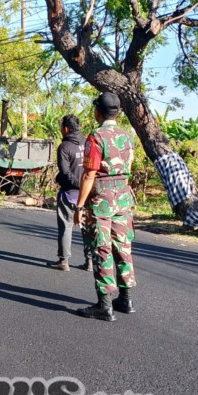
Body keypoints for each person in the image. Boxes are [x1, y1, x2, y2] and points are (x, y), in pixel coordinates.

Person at [74, 92, 136, 322]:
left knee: (102, 247)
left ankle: (104, 305)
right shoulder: (127, 137)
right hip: (123, 196)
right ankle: (126, 299)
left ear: (98, 111)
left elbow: (90, 173)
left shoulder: (96, 137)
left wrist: (79, 206)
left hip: (102, 198)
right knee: (123, 245)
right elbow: (128, 170)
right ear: (117, 112)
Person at [48, 114, 91, 272]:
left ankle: (64, 262)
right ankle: (90, 262)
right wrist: (85, 185)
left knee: (66, 226)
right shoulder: (88, 142)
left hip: (69, 193)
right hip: (87, 194)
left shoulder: (64, 147)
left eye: (61, 128)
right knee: (87, 227)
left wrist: (76, 183)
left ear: (66, 129)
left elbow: (65, 172)